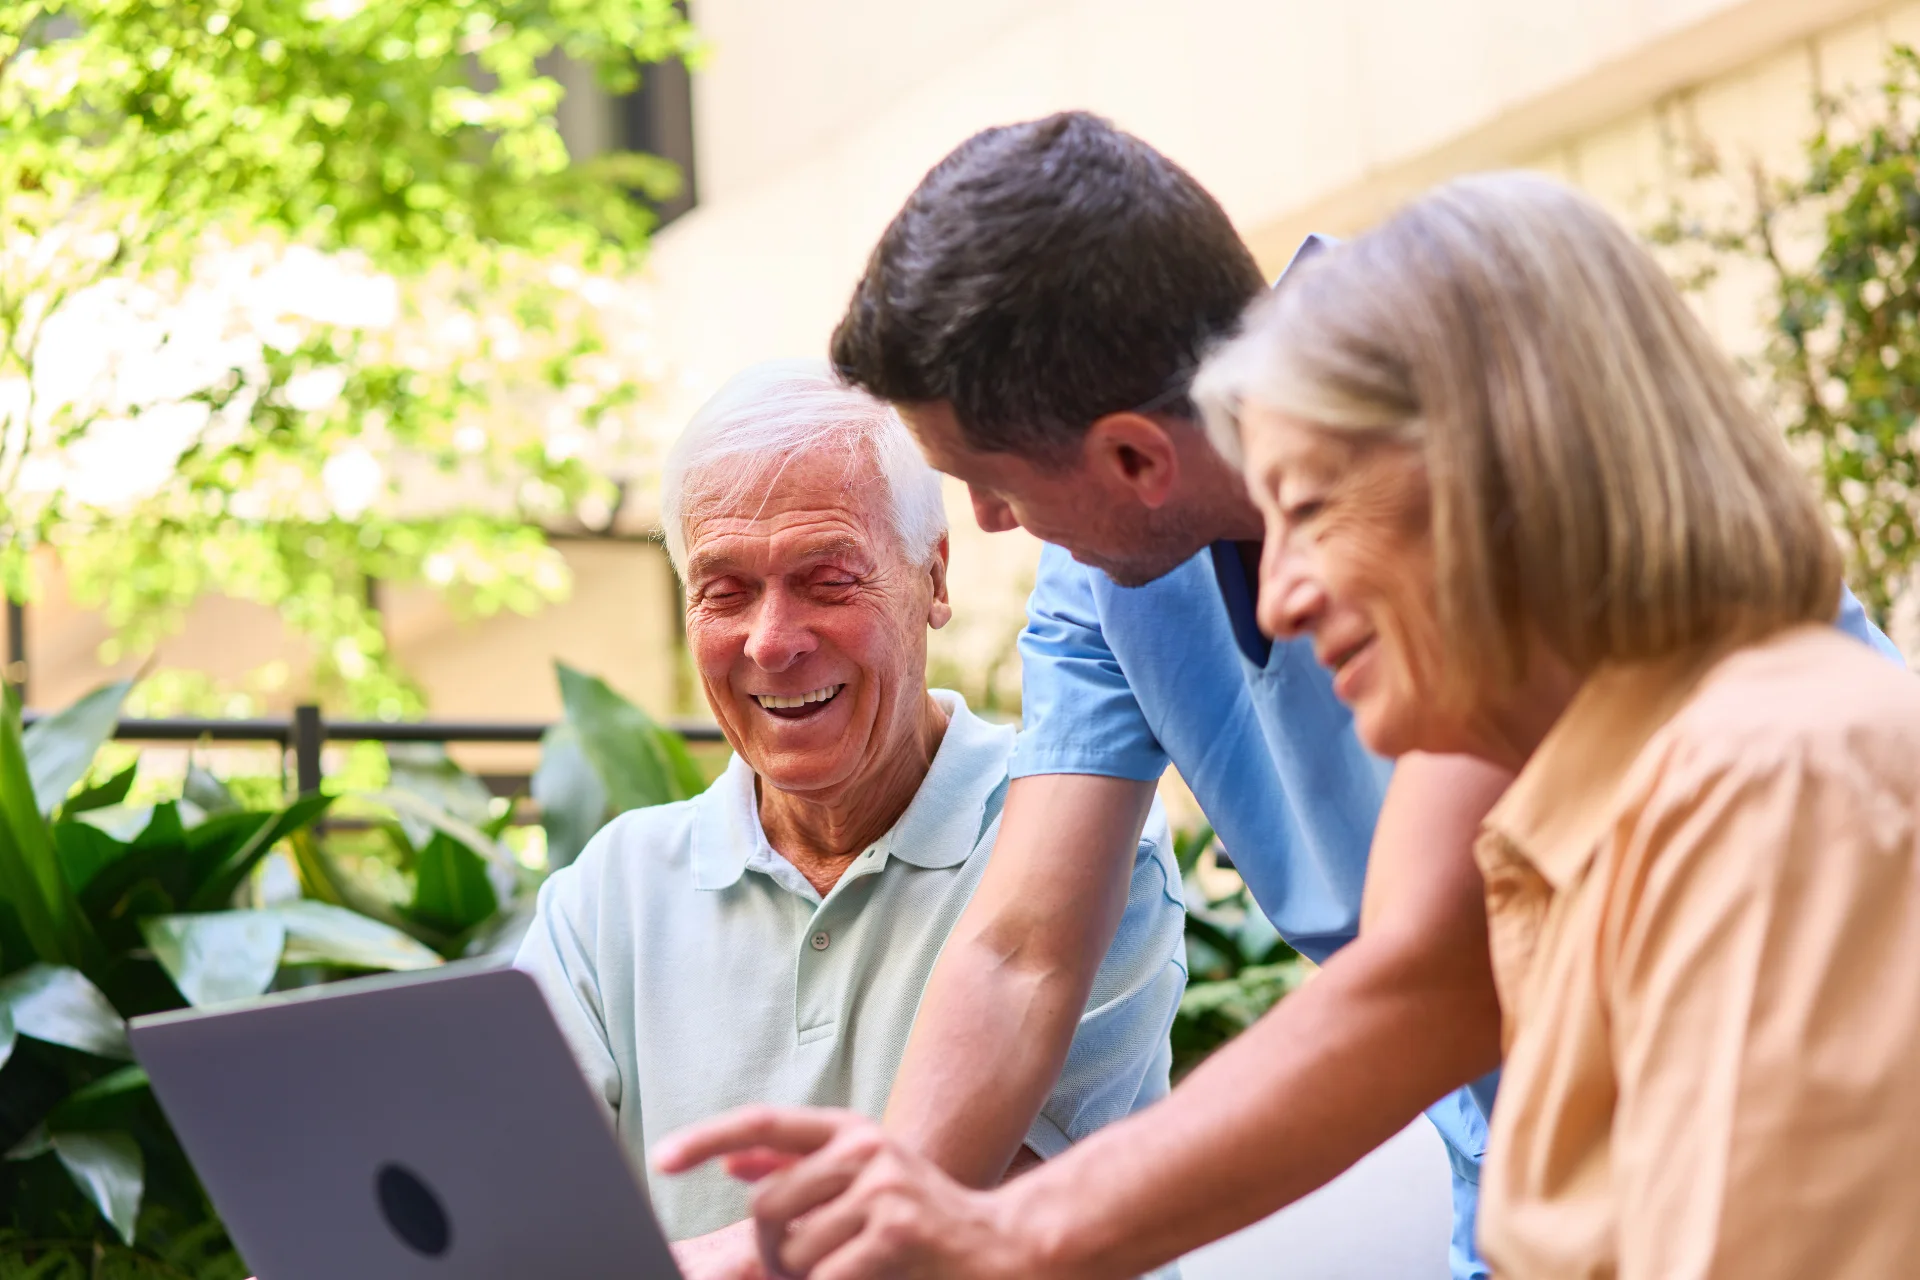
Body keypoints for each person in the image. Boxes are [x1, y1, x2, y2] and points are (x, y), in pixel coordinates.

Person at [654, 116, 1904, 1279]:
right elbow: (1023, 949)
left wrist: (1009, 1235)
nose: (1281, 598)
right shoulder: (1111, 571)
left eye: (991, 482)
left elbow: (1428, 968)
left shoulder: (1429, 401)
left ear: (1135, 456)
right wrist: (867, 1241)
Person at [1191, 171, 1920, 1276]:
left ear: (1506, 465)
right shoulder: (1606, 819)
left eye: (1305, 508)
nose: (1275, 598)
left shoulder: (1773, 788)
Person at [512, 361, 1186, 1277]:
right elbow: (511, 1209)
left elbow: (972, 1228)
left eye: (827, 580)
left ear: (933, 579)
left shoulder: (1086, 848)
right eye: (725, 590)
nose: (772, 640)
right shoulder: (610, 890)